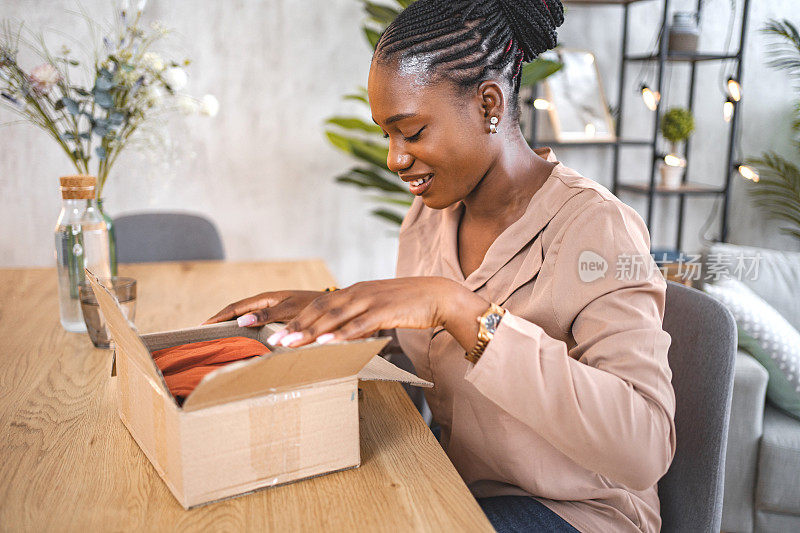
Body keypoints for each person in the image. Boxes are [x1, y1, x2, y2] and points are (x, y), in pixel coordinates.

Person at [205, 1, 676, 531]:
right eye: (388, 133)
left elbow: (645, 445)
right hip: (456, 487)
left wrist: (459, 309)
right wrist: (339, 319)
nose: (395, 158)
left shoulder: (596, 229)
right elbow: (432, 358)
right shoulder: (432, 217)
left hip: (575, 513)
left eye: (412, 131)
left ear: (488, 104)